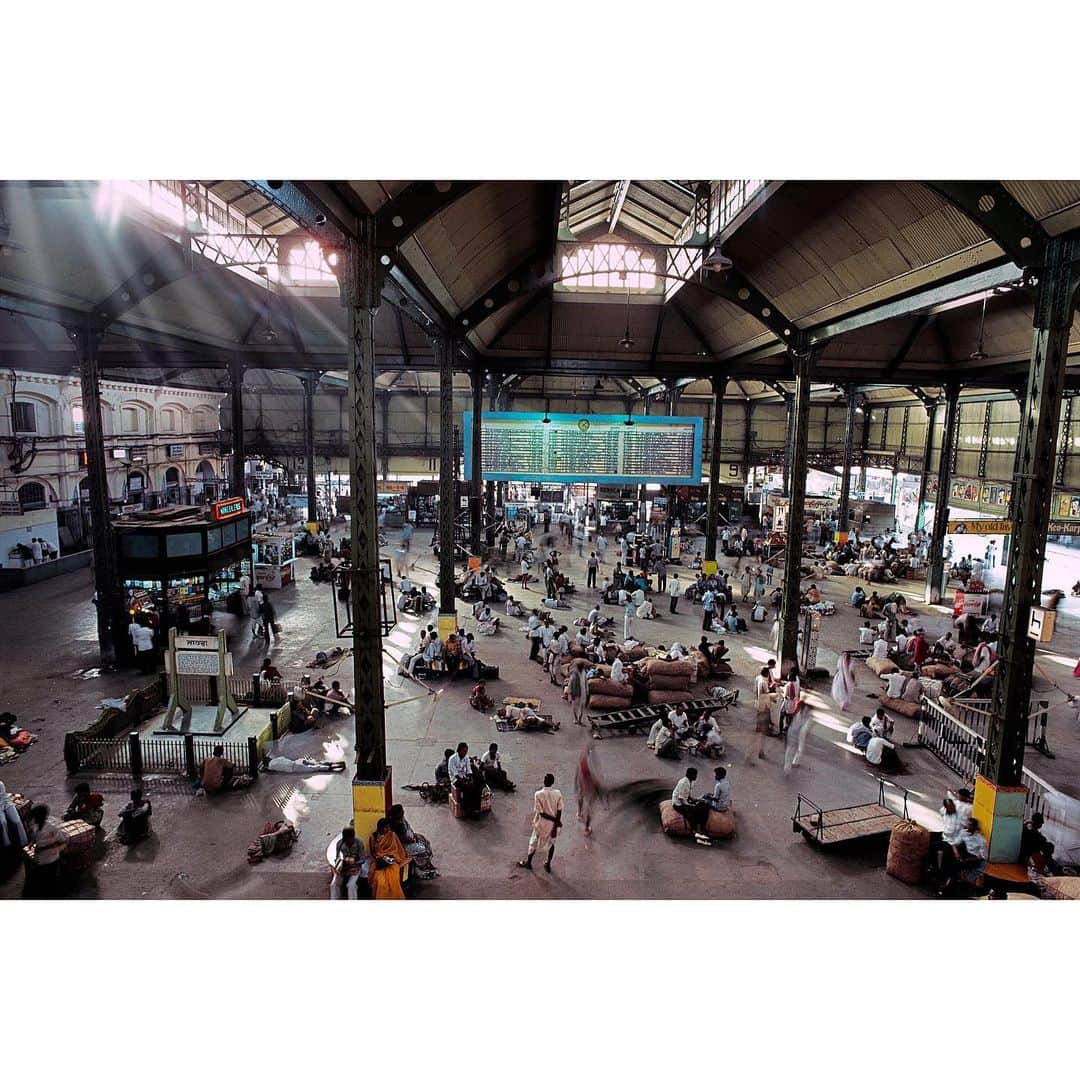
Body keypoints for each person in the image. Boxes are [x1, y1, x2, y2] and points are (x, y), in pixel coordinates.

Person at [518, 773, 563, 873]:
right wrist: (556, 822)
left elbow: (541, 813)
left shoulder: (538, 794)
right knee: (552, 844)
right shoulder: (558, 793)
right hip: (552, 826)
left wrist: (555, 820)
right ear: (553, 782)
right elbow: (559, 810)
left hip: (540, 824)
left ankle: (528, 862)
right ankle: (548, 864)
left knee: (533, 842)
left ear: (544, 781)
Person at [24, 804, 65, 898]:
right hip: (39, 858)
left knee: (50, 881)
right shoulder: (35, 825)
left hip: (51, 859)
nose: (34, 820)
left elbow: (63, 841)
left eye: (35, 817)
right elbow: (35, 837)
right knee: (41, 880)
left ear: (41, 817)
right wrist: (31, 844)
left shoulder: (52, 828)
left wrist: (56, 849)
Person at [389, 804, 438, 879]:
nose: (403, 812)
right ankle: (421, 868)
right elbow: (403, 839)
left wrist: (415, 835)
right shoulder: (397, 825)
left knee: (424, 840)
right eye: (401, 811)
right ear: (398, 814)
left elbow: (409, 829)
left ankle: (426, 866)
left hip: (410, 839)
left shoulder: (401, 819)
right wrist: (413, 840)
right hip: (403, 847)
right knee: (423, 849)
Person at [368, 817, 410, 900]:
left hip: (392, 861)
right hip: (379, 862)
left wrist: (391, 857)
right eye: (386, 827)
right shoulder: (373, 836)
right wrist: (379, 857)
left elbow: (397, 849)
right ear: (380, 827)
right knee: (379, 879)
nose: (388, 829)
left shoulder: (392, 835)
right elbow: (373, 852)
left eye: (388, 827)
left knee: (394, 878)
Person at [330, 825, 369, 900]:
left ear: (353, 837)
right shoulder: (339, 844)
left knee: (351, 885)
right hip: (343, 869)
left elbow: (362, 859)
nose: (348, 841)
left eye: (350, 838)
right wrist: (338, 865)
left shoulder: (359, 843)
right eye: (346, 839)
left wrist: (354, 862)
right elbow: (337, 857)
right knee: (333, 885)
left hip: (356, 868)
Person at [672, 767, 711, 838]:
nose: (696, 777)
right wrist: (690, 805)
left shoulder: (690, 782)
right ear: (690, 775)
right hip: (679, 804)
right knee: (691, 813)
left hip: (685, 801)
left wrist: (695, 800)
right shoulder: (683, 783)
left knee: (704, 806)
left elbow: (688, 795)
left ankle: (702, 827)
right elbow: (681, 799)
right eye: (695, 775)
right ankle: (694, 830)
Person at [575, 747, 605, 835]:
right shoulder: (593, 764)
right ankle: (587, 828)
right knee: (589, 807)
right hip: (590, 785)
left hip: (581, 781)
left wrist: (576, 783)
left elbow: (577, 772)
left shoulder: (582, 760)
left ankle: (579, 812)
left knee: (580, 795)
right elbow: (597, 779)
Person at [448, 742, 483, 816]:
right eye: (464, 751)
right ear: (459, 750)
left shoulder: (466, 757)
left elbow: (469, 770)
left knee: (477, 786)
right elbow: (455, 774)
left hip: (464, 777)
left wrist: (470, 779)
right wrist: (465, 783)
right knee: (467, 788)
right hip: (456, 779)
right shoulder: (452, 759)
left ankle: (476, 808)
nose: (465, 753)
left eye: (466, 751)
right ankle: (467, 808)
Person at [749, 666, 774, 762]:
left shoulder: (758, 678)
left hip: (758, 702)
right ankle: (760, 751)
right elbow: (767, 694)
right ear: (767, 674)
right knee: (762, 734)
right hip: (763, 704)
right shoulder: (764, 682)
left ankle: (758, 727)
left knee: (759, 719)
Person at [0, 780, 29, 852]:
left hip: (6, 802)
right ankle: (7, 843)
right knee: (3, 822)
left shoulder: (0, 784)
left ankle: (24, 841)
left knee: (17, 821)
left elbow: (4, 797)